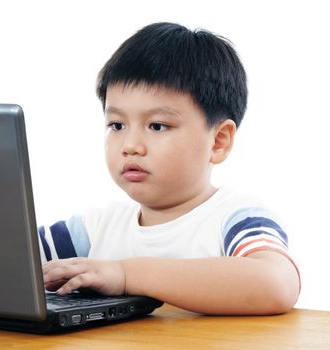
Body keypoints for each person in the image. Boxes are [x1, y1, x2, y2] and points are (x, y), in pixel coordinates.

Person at [39, 22, 300, 315]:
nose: (130, 145)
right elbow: (9, 258)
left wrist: (127, 275)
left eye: (157, 126)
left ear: (218, 141)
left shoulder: (235, 218)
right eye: (117, 125)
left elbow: (277, 285)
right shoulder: (92, 230)